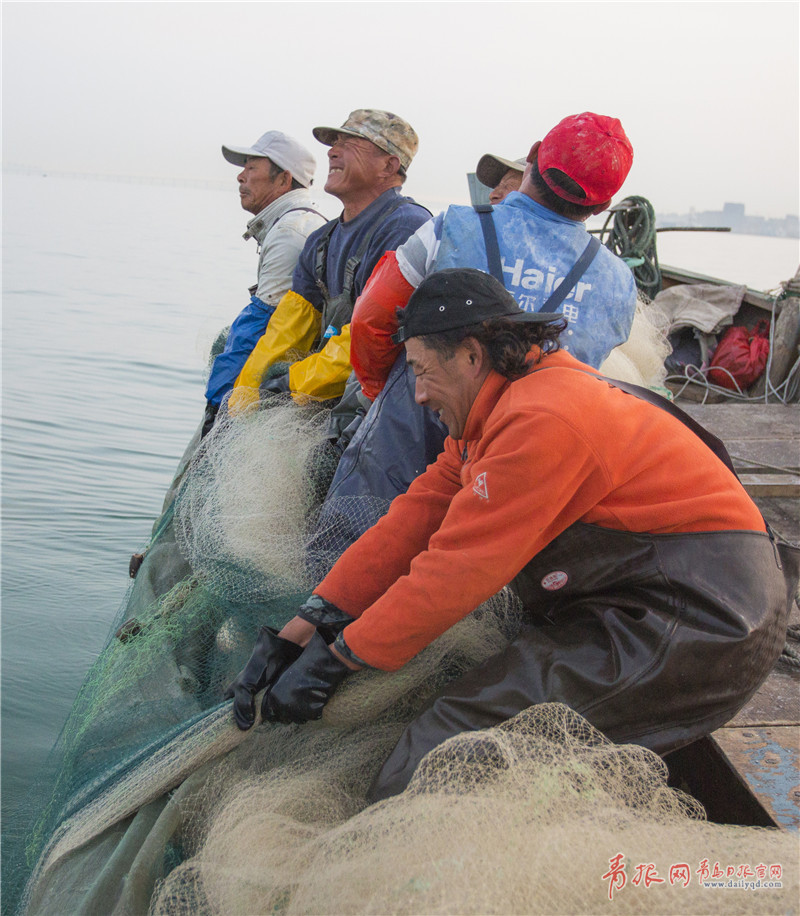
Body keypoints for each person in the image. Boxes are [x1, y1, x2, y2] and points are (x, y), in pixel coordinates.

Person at [225, 267, 796, 802]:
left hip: (700, 619)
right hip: (632, 595)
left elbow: (455, 571)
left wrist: (341, 658)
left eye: (422, 371)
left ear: (471, 356)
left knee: (453, 739)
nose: (418, 394)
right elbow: (414, 519)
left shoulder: (541, 418)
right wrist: (312, 619)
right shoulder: (495, 410)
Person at [306, 113, 638, 565]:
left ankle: (321, 621)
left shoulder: (451, 228)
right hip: (527, 448)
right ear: (602, 206)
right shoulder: (618, 281)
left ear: (536, 157)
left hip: (417, 421)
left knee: (348, 557)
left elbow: (370, 318)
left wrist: (380, 393)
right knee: (470, 574)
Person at [228, 109, 431, 440]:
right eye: (334, 142)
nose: (332, 151)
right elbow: (285, 333)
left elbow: (369, 337)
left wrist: (290, 383)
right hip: (328, 400)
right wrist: (243, 399)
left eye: (351, 143)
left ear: (389, 166)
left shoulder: (406, 227)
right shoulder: (320, 242)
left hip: (383, 411)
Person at [202, 131, 326, 435]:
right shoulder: (299, 222)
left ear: (284, 180)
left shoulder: (290, 233)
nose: (240, 177)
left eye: (251, 168)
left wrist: (220, 404)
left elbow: (262, 327)